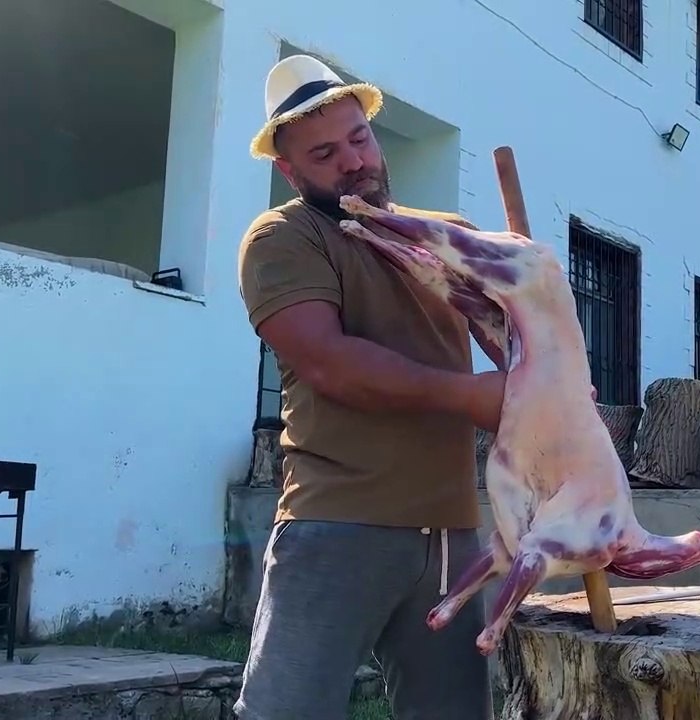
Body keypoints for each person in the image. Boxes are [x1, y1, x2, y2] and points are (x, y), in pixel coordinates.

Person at [232, 54, 503, 720]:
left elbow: (518, 340)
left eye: (359, 138)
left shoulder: (450, 238)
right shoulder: (283, 238)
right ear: (288, 170)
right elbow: (330, 362)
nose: (353, 161)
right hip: (337, 524)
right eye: (324, 153)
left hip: (452, 536)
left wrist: (540, 359)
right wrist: (473, 397)